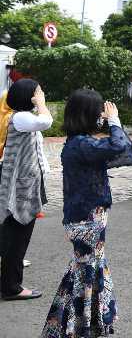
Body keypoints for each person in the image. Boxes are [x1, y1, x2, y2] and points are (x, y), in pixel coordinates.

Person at [42, 90, 132, 336]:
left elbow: (116, 150)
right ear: (88, 114)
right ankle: (80, 326)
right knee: (87, 270)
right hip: (87, 218)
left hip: (85, 216)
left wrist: (110, 124)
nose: (101, 115)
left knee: (84, 269)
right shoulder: (82, 145)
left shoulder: (80, 142)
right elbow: (119, 144)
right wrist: (114, 120)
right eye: (98, 111)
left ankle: (79, 324)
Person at [0, 79, 51, 301]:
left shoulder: (23, 117)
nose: (41, 94)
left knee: (13, 235)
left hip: (26, 183)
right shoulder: (21, 117)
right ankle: (12, 287)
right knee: (17, 237)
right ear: (28, 96)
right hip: (20, 188)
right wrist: (41, 103)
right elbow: (46, 121)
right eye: (38, 91)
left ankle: (8, 283)